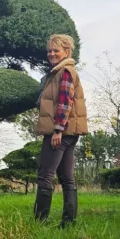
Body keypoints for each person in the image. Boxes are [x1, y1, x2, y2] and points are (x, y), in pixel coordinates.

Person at [33, 34, 88, 227]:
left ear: (67, 51)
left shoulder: (64, 71)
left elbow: (65, 102)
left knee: (45, 176)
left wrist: (58, 130)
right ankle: (68, 223)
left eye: (56, 50)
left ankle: (39, 223)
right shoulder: (59, 72)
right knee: (66, 177)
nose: (51, 54)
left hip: (60, 132)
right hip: (70, 132)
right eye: (49, 50)